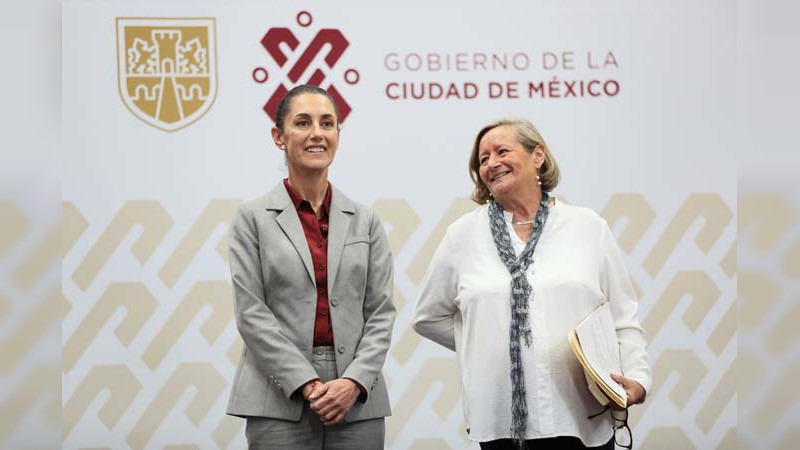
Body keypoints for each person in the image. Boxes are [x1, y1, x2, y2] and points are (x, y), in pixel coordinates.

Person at [413, 118, 651, 449]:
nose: (491, 163)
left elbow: (622, 316)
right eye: (483, 159)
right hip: (500, 422)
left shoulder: (587, 227)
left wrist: (637, 378)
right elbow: (427, 317)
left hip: (581, 416)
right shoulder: (462, 236)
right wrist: (484, 344)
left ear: (537, 156)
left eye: (502, 151)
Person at [226, 85, 395, 450]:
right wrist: (307, 383)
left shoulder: (366, 220)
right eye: (303, 123)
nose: (317, 133)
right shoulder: (251, 218)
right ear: (279, 136)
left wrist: (353, 382)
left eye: (327, 123)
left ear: (337, 136)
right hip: (278, 395)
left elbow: (381, 312)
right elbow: (252, 314)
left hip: (357, 398)